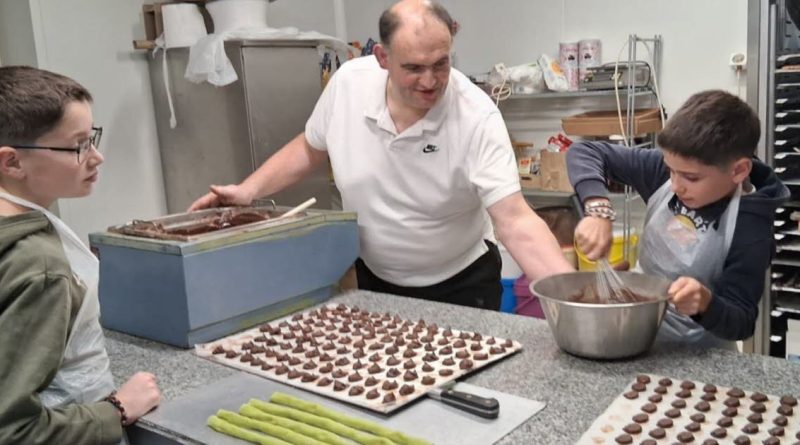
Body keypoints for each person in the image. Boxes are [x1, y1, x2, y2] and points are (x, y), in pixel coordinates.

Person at [189, 0, 573, 310]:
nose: (430, 81)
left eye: (441, 64)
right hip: (375, 279)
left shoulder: (477, 116)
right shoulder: (348, 86)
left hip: (461, 282)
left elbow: (516, 221)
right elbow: (311, 147)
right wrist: (248, 190)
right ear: (382, 58)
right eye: (414, 68)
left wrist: (576, 300)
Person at [0, 66, 161, 444]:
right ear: (12, 162)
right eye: (79, 145)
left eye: (93, 139)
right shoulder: (39, 265)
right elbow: (13, 430)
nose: (97, 157)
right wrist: (116, 409)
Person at [567, 90, 790, 349]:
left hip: (697, 356)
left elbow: (742, 321)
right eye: (671, 170)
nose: (675, 185)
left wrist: (705, 303)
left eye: (691, 178)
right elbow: (583, 152)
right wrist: (598, 208)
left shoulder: (751, 229)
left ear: (738, 170)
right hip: (636, 333)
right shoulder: (667, 171)